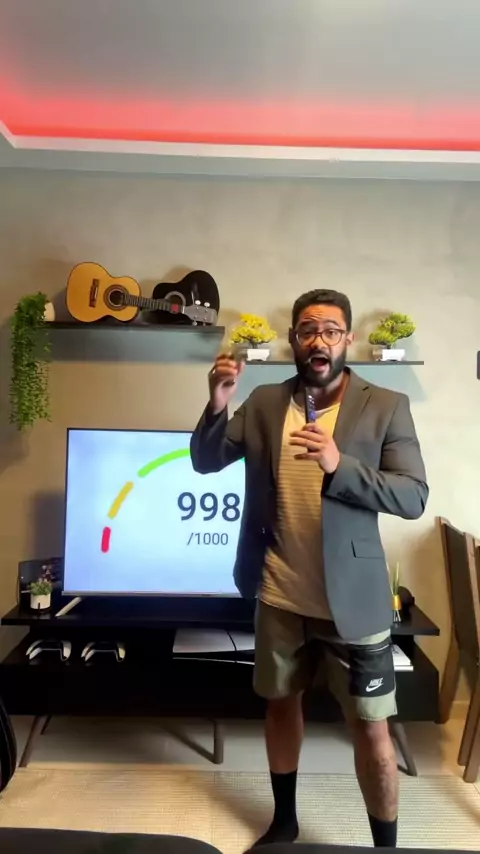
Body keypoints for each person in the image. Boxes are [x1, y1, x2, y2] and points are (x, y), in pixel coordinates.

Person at [190, 289, 428, 849]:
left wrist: (339, 465)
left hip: (354, 602)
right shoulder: (265, 402)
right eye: (307, 330)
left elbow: (413, 496)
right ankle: (284, 822)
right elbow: (205, 461)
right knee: (280, 706)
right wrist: (218, 403)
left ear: (347, 339)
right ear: (294, 340)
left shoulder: (386, 405)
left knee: (370, 725)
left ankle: (386, 846)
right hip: (279, 594)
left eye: (330, 330)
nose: (318, 341)